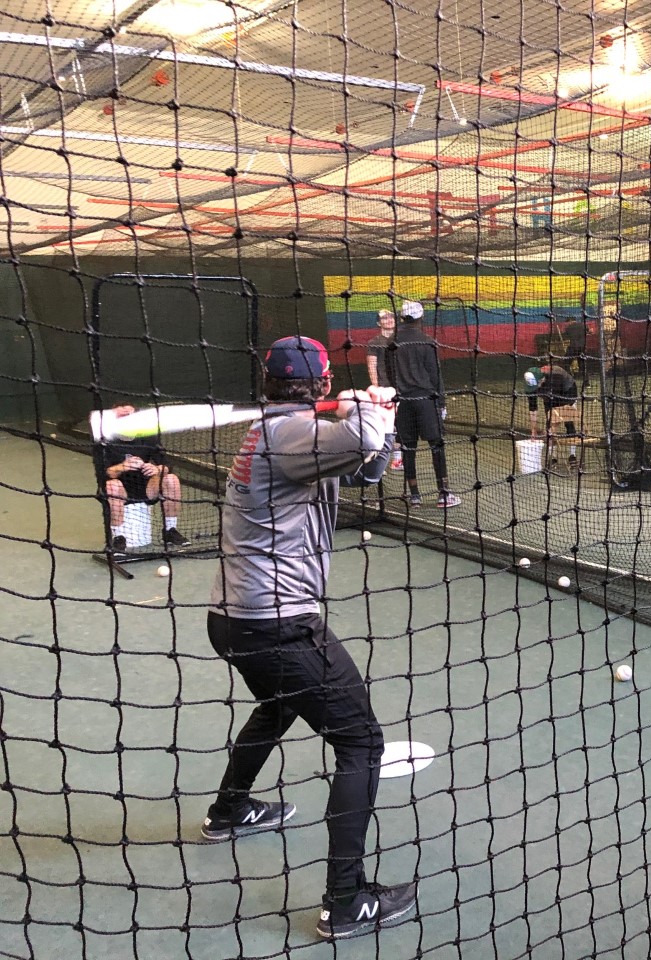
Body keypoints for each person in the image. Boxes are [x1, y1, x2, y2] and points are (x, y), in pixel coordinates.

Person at [201, 335, 415, 941]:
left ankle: (230, 810)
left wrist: (378, 418)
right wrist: (367, 406)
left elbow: (371, 465)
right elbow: (365, 439)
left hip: (237, 619)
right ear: (320, 383)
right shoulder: (290, 435)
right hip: (279, 623)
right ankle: (345, 900)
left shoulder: (290, 432)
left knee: (278, 706)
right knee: (362, 743)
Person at [95, 405, 190, 559]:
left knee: (171, 479)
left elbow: (167, 465)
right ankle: (119, 539)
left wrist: (156, 469)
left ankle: (170, 531)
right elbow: (104, 472)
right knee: (112, 485)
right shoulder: (104, 440)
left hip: (145, 488)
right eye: (122, 415)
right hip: (119, 489)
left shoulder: (148, 437)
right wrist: (122, 466)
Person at [390, 300, 459, 508]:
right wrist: (442, 403)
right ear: (420, 318)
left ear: (402, 318)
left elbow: (390, 375)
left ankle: (414, 496)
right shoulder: (427, 341)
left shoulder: (392, 343)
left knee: (407, 448)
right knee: (436, 446)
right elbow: (435, 375)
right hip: (426, 400)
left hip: (403, 402)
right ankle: (443, 495)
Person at [524, 362, 580, 473]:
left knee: (568, 422)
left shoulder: (556, 376)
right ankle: (553, 458)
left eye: (538, 384)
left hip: (567, 392)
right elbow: (533, 408)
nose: (537, 388)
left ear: (543, 379)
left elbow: (558, 407)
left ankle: (572, 456)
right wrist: (533, 430)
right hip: (550, 398)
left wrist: (556, 418)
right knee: (550, 427)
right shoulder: (530, 386)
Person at [364, 308, 403, 470]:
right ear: (378, 323)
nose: (389, 319)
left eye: (391, 316)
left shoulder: (401, 339)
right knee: (384, 426)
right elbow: (371, 366)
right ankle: (378, 462)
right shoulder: (374, 342)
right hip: (384, 390)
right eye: (384, 318)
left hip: (401, 387)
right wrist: (377, 388)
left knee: (400, 424)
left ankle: (397, 460)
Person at [562, 317, 591, 390]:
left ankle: (569, 381)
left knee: (566, 363)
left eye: (567, 323)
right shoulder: (583, 325)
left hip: (573, 348)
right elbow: (590, 331)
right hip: (582, 348)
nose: (567, 324)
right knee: (582, 365)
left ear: (570, 321)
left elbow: (566, 336)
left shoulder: (569, 328)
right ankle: (587, 383)